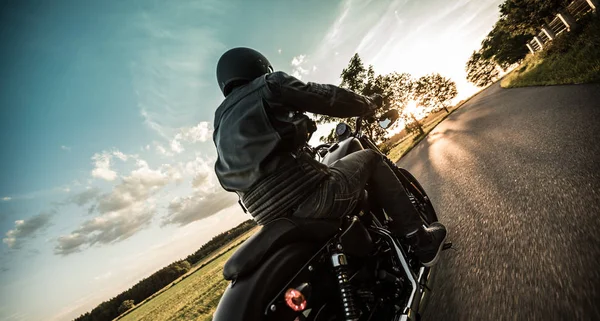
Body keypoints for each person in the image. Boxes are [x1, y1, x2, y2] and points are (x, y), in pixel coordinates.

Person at [212, 47, 447, 266]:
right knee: (372, 159)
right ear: (258, 67)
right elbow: (327, 97)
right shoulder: (269, 85)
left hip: (269, 219)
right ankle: (421, 241)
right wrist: (366, 104)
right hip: (309, 198)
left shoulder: (220, 121)